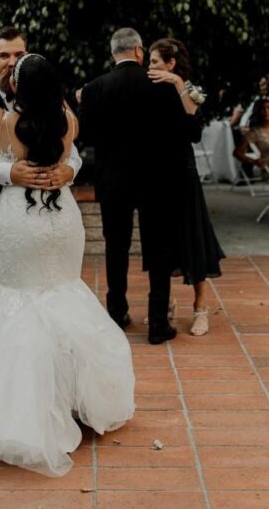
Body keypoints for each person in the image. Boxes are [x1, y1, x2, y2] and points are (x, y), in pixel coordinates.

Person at [0, 54, 134, 477]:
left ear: (18, 87)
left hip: (19, 220)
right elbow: (73, 155)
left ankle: (27, 409)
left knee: (19, 300)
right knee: (63, 293)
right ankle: (72, 398)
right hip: (61, 220)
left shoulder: (2, 123)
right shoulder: (69, 122)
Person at [78, 27, 192, 344]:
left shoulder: (95, 88)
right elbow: (181, 132)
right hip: (156, 179)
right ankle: (158, 323)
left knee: (116, 247)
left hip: (112, 180)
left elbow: (84, 136)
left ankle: (117, 313)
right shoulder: (162, 85)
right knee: (159, 249)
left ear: (114, 52)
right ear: (139, 51)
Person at [0, 26, 81, 308]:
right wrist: (9, 173)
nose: (12, 62)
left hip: (50, 208)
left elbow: (72, 151)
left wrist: (71, 170)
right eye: (4, 56)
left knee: (50, 284)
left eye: (19, 55)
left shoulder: (50, 103)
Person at [147, 38, 224, 337]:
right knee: (161, 240)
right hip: (156, 174)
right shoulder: (149, 89)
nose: (150, 67)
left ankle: (200, 306)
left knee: (193, 237)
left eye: (155, 62)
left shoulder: (188, 90)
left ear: (171, 64)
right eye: (149, 61)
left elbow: (194, 132)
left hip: (182, 173)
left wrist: (179, 84)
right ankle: (165, 303)